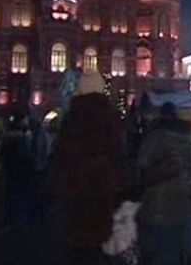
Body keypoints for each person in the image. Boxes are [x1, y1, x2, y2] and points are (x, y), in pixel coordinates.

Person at [47, 72, 126, 265]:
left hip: (74, 196)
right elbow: (120, 157)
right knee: (98, 249)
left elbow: (59, 158)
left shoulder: (73, 118)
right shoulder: (112, 118)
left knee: (76, 250)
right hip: (103, 194)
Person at [137, 102, 191, 265]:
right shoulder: (186, 136)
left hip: (157, 196)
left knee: (157, 246)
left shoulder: (156, 136)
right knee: (176, 239)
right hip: (181, 193)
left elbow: (142, 162)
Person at [1, 115, 32, 224]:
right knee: (19, 189)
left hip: (9, 165)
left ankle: (9, 212)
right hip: (21, 165)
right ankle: (18, 214)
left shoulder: (6, 136)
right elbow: (28, 152)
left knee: (10, 190)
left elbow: (2, 151)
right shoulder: (24, 137)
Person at [28, 119, 52, 224]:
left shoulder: (37, 136)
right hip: (41, 167)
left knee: (38, 190)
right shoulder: (44, 136)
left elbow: (40, 151)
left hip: (39, 167)